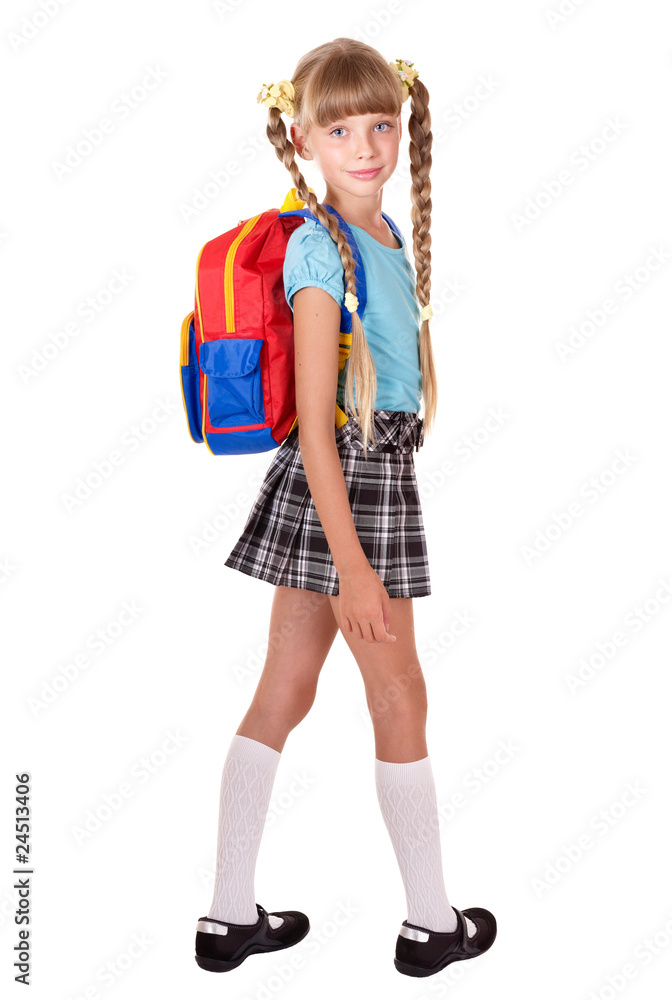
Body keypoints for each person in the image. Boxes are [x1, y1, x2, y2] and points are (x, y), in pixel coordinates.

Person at [194, 37, 497, 979]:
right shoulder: (319, 253)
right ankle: (429, 924)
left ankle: (225, 917)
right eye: (339, 128)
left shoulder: (382, 236)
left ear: (401, 125)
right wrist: (355, 565)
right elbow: (321, 434)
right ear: (303, 137)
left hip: (349, 482)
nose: (364, 145)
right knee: (397, 692)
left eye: (379, 123)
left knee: (284, 689)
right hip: (345, 488)